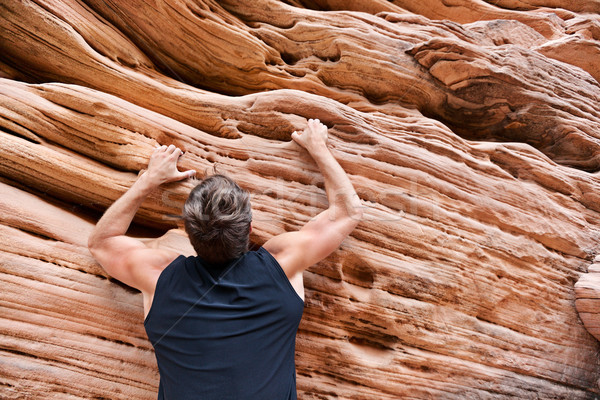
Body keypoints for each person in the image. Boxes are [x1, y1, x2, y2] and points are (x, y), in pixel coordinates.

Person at [88, 119, 363, 399]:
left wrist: (148, 180)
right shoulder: (281, 265)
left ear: (188, 234)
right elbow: (347, 212)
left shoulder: (160, 278)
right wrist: (318, 148)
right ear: (251, 230)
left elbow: (102, 243)